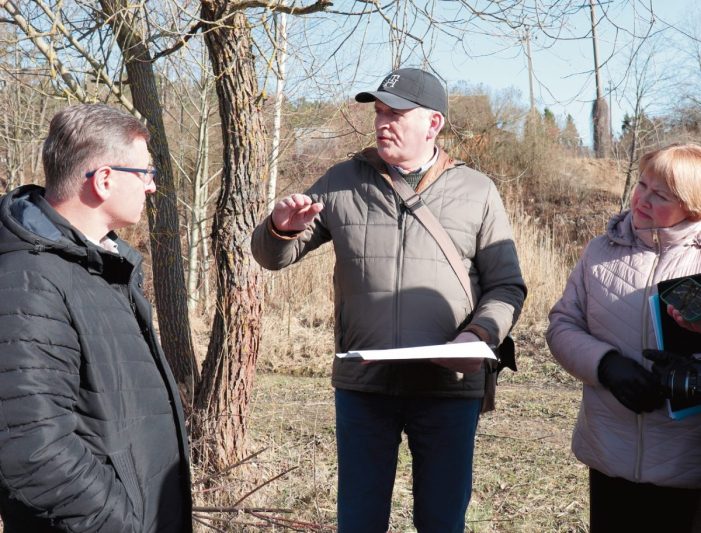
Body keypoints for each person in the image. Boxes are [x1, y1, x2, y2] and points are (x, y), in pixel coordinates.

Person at [251, 68, 526, 532]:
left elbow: (507, 286)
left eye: (396, 113)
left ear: (433, 123)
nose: (382, 122)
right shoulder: (341, 181)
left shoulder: (477, 191)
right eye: (379, 111)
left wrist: (479, 334)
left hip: (448, 390)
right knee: (359, 520)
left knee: (441, 520)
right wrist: (280, 228)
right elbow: (274, 258)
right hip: (365, 385)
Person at [0, 104, 192, 532]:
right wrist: (124, 522)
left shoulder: (104, 268)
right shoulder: (28, 280)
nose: (151, 187)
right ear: (104, 179)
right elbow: (31, 449)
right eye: (144, 172)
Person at [547, 143, 701, 532]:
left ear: (692, 208)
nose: (642, 199)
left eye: (660, 194)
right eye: (642, 184)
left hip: (688, 460)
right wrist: (606, 365)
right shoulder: (600, 251)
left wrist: (694, 375)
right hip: (609, 453)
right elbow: (562, 324)